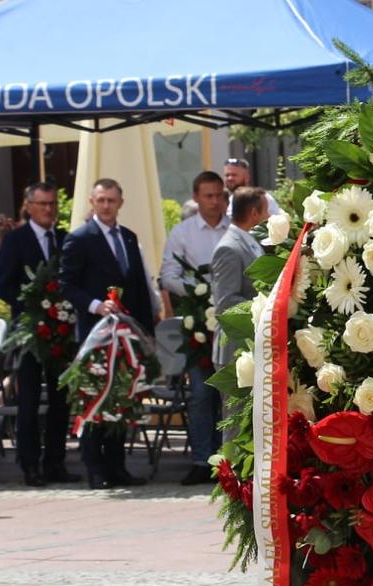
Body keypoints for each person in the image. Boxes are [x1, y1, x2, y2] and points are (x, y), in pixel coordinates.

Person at [59, 178, 157, 489]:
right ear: (92, 201)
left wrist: (146, 333)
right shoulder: (80, 238)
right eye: (100, 200)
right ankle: (96, 469)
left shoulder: (128, 237)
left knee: (122, 402)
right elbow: (67, 284)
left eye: (111, 200)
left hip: (127, 335)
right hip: (96, 335)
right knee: (96, 401)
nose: (105, 205)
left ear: (120, 202)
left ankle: (117, 467)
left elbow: (139, 287)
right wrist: (95, 305)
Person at [0, 181, 79, 488]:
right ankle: (29, 464)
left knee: (60, 399)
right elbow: (1, 284)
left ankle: (55, 462)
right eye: (42, 204)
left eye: (53, 204)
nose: (48, 210)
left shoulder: (64, 238)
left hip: (61, 330)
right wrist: (32, 304)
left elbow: (72, 277)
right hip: (30, 330)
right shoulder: (15, 240)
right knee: (28, 398)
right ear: (29, 206)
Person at [158, 171, 232, 485]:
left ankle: (232, 458)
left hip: (231, 317)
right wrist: (197, 290)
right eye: (208, 196)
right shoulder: (183, 232)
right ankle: (203, 459)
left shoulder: (237, 229)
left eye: (219, 195)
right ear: (197, 197)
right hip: (198, 320)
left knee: (231, 391)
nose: (214, 201)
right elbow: (168, 274)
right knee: (201, 392)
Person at [208, 186, 267, 446]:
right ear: (254, 212)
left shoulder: (248, 241)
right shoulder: (229, 248)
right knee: (235, 424)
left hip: (251, 347)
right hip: (234, 350)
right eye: (266, 211)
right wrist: (265, 305)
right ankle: (232, 482)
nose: (268, 217)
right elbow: (225, 303)